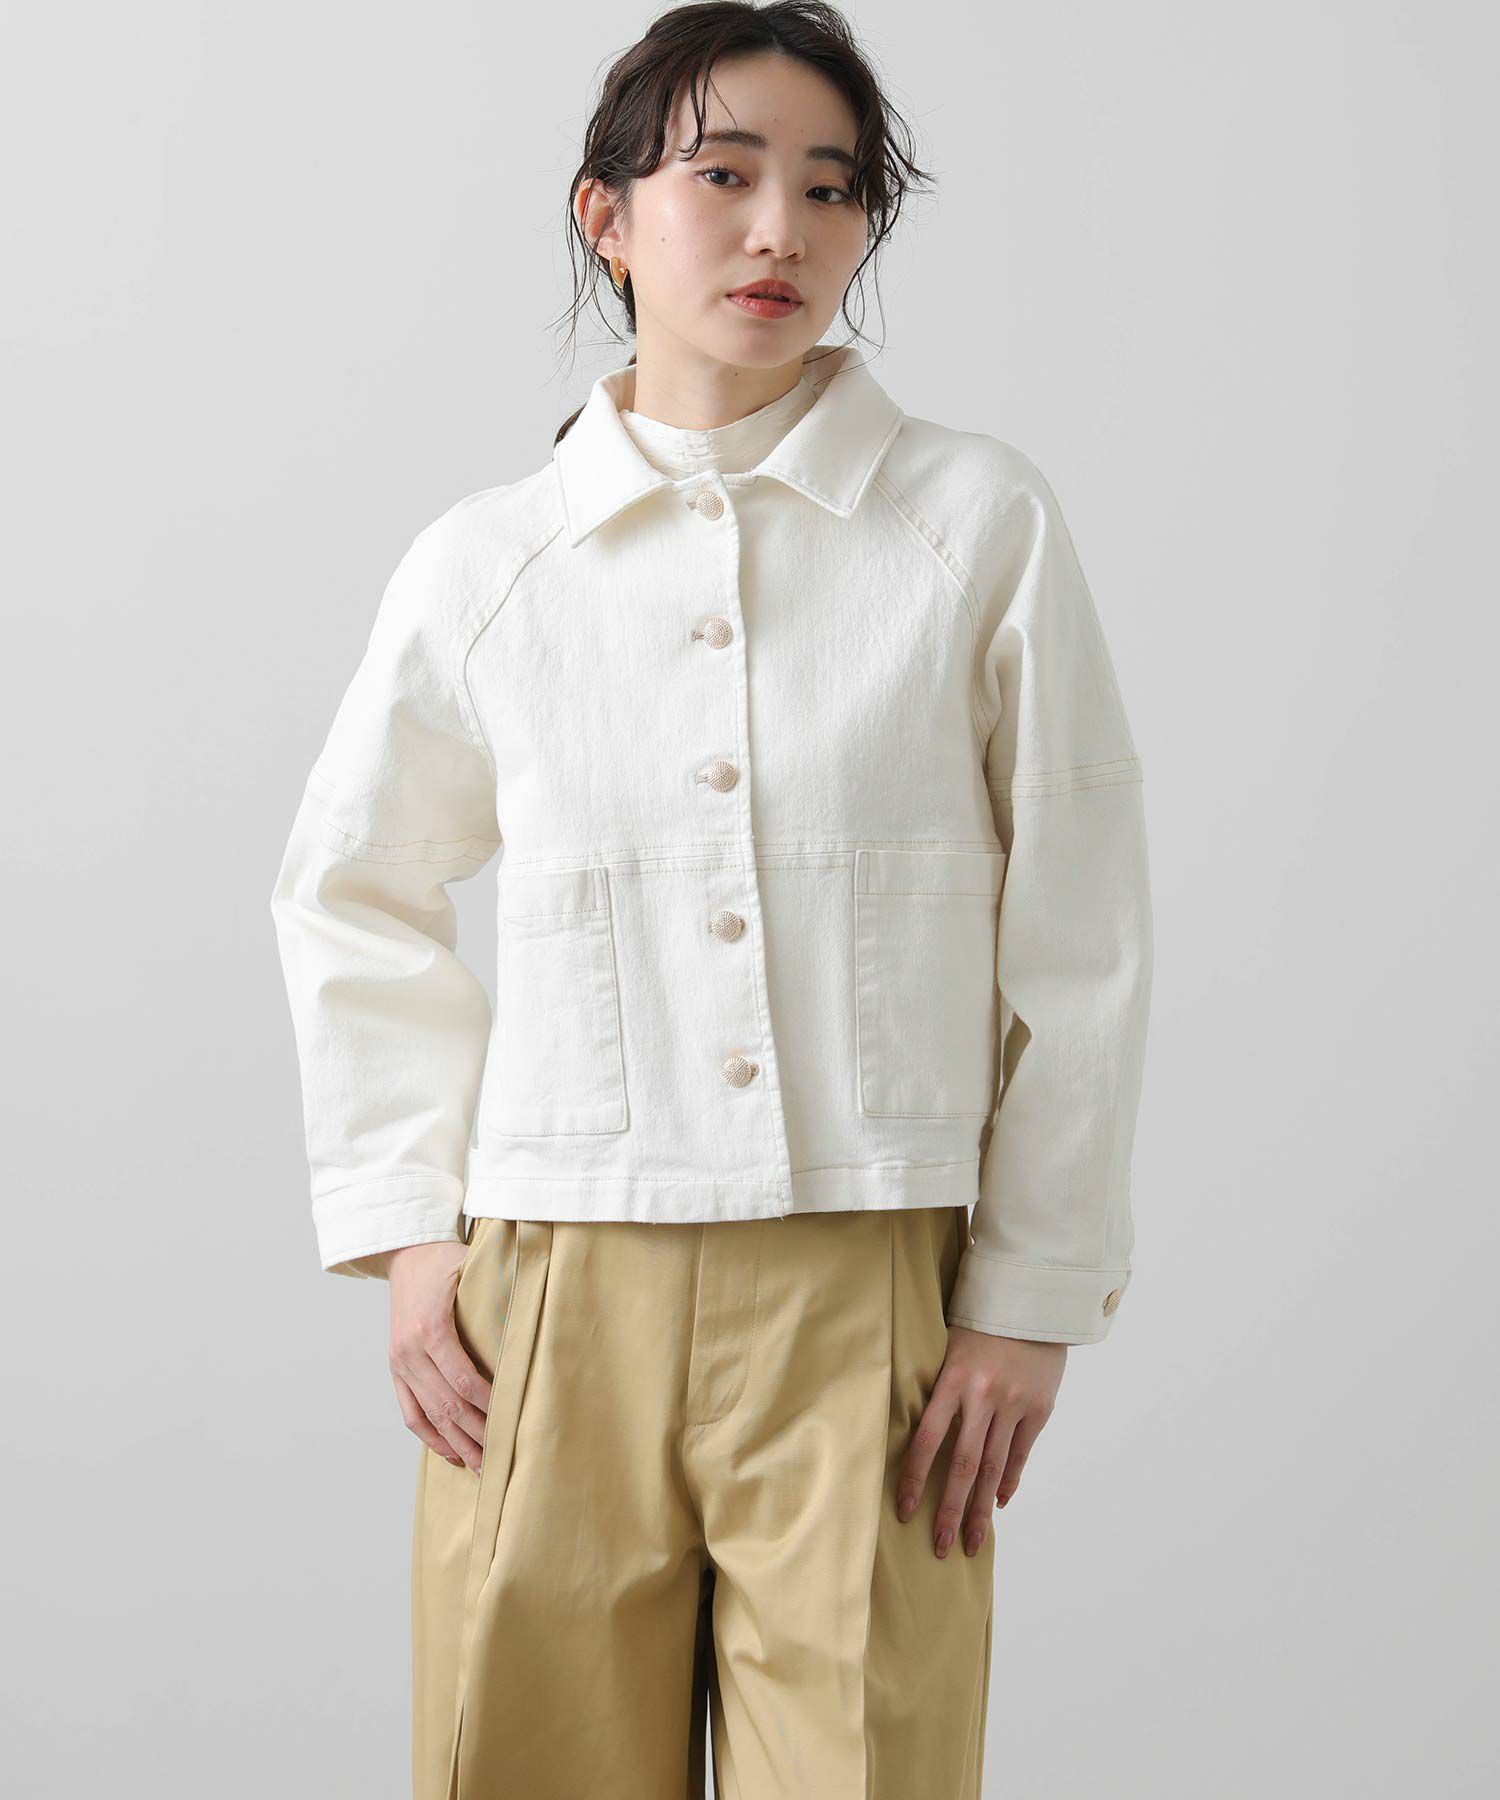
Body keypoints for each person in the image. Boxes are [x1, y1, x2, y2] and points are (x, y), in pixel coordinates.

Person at [269, 3, 1154, 1794]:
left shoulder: (974, 526)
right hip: (552, 1288)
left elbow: (1084, 932)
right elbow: (353, 887)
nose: (780, 232)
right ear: (604, 217)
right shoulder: (489, 562)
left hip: (871, 1283)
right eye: (723, 176)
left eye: (831, 190)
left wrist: (1030, 1291)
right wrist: (413, 1229)